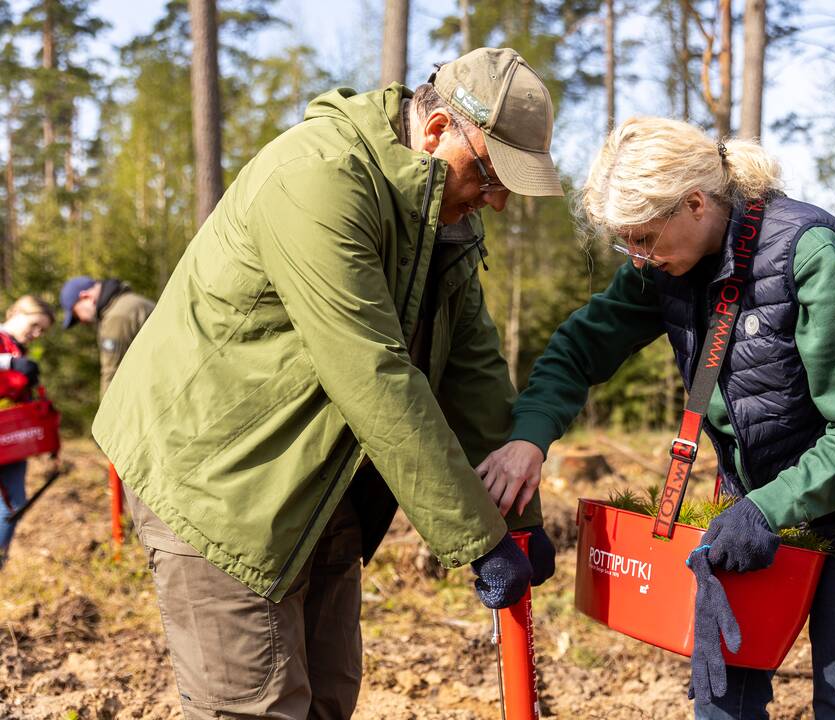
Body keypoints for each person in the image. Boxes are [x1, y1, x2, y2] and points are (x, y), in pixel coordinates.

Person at [92, 47, 561, 718]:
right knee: (255, 706)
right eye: (490, 175)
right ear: (435, 133)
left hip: (320, 481)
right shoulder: (319, 180)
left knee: (328, 698)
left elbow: (474, 369)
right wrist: (479, 541)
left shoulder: (443, 217)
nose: (499, 200)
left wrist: (519, 521)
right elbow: (372, 373)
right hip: (217, 474)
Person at [477, 117, 835, 719]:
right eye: (626, 242)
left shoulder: (811, 255)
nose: (637, 256)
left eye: (646, 238)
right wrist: (530, 437)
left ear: (695, 202)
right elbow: (579, 349)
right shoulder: (662, 265)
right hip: (744, 518)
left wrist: (767, 508)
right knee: (722, 708)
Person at [0, 295, 55, 569]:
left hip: (10, 444)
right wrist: (10, 364)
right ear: (18, 312)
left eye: (41, 331)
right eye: (34, 325)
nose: (36, 334)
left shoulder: (18, 350)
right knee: (8, 508)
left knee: (14, 504)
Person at [59, 275, 155, 397]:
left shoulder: (116, 317)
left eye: (76, 315)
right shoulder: (131, 301)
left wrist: (104, 413)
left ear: (86, 297)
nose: (82, 321)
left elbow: (112, 375)